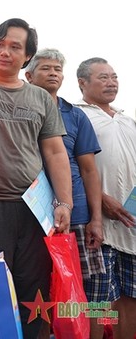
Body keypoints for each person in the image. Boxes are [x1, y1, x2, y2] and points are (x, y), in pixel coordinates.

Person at [0, 19, 73, 339]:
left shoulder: (41, 99)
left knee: (34, 292)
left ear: (27, 55)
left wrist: (64, 203)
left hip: (34, 209)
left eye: (14, 46)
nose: (5, 52)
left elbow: (56, 153)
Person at [24, 49, 105, 285]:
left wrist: (96, 219)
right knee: (37, 292)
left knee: (83, 293)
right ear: (29, 76)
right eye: (45, 68)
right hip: (30, 214)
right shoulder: (18, 109)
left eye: (57, 69)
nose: (53, 73)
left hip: (75, 214)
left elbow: (89, 170)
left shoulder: (76, 116)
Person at [75, 57, 136, 339]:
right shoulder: (77, 115)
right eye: (103, 77)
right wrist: (100, 199)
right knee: (99, 302)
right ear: (82, 83)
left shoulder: (128, 120)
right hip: (98, 224)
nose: (111, 82)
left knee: (130, 298)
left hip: (131, 226)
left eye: (114, 77)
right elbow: (71, 168)